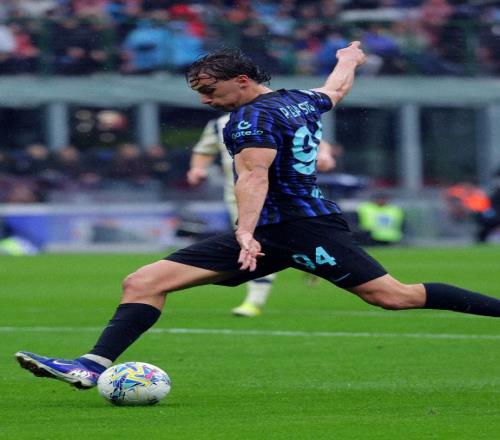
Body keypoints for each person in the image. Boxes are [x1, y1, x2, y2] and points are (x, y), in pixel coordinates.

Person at [15, 42, 500, 390]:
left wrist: (244, 232)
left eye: (210, 89)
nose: (205, 100)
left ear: (242, 81)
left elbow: (254, 177)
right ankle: (91, 365)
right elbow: (335, 91)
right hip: (273, 230)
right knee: (142, 281)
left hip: (302, 227)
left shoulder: (251, 118)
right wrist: (349, 59)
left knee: (393, 297)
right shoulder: (296, 100)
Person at [186, 115, 336, 316]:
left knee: (289, 237)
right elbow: (204, 150)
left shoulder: (274, 113)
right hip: (240, 197)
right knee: (255, 242)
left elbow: (313, 138)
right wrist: (197, 168)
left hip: (284, 193)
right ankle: (255, 299)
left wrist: (324, 154)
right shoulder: (218, 124)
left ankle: (312, 260)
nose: (208, 100)